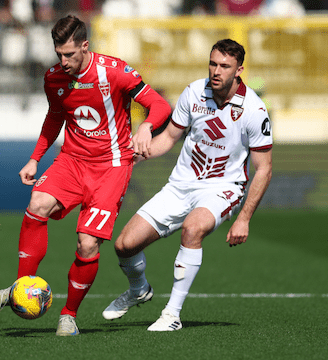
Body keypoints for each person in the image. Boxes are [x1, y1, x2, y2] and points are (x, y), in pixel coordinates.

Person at [0, 15, 172, 336]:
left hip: (111, 166)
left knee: (87, 245)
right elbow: (55, 117)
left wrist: (147, 127)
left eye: (69, 54)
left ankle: (69, 314)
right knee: (37, 203)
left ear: (85, 46)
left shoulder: (114, 72)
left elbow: (159, 104)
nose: (64, 61)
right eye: (59, 54)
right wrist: (34, 158)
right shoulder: (54, 78)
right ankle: (20, 286)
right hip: (71, 161)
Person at [101, 39, 273, 331]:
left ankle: (172, 315)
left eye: (225, 66)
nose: (216, 71)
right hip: (180, 186)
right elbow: (168, 138)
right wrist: (129, 158)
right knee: (124, 246)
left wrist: (244, 218)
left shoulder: (254, 110)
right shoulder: (194, 92)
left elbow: (264, 168)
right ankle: (139, 289)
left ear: (239, 70)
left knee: (193, 229)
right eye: (213, 63)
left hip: (223, 187)